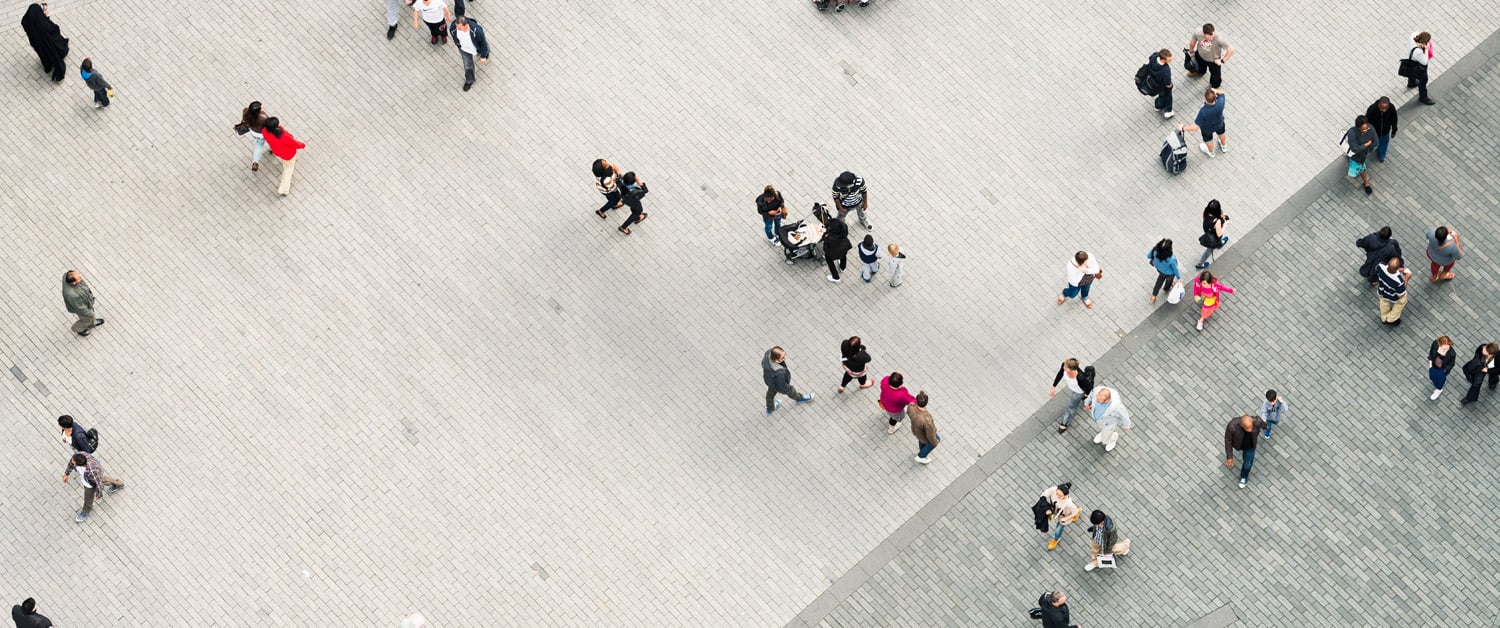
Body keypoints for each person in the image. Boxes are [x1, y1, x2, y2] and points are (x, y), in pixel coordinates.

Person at [63, 451, 124, 523]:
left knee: (88, 497)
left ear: (80, 465)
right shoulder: (80, 455)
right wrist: (66, 474)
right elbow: (71, 464)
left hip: (91, 483)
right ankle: (119, 484)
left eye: (73, 462)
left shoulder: (92, 471)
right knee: (103, 479)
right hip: (94, 477)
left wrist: (99, 494)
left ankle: (85, 511)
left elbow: (98, 483)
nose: (71, 461)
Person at [21, 3, 68, 82]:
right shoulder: (42, 23)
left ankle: (48, 65)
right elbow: (53, 29)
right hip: (48, 43)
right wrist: (46, 17)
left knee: (43, 54)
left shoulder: (26, 21)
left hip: (37, 43)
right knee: (54, 52)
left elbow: (26, 24)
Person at [261, 118, 306, 196]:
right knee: (288, 170)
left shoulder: (264, 131)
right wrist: (302, 145)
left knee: (287, 164)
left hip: (278, 152)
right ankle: (284, 189)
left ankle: (285, 166)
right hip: (288, 154)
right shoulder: (283, 136)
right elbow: (294, 143)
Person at [762, 347, 813, 414]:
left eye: (784, 355)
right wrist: (788, 389)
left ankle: (770, 408)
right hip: (778, 385)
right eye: (782, 358)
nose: (785, 358)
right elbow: (783, 387)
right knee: (791, 391)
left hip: (770, 381)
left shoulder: (768, 354)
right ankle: (799, 398)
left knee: (770, 395)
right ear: (777, 361)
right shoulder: (779, 373)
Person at [1049, 358, 1096, 433]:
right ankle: (1086, 397)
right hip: (1074, 389)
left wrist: (1087, 394)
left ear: (1071, 369)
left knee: (1071, 406)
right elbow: (1060, 373)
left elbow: (1090, 388)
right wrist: (1053, 386)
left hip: (1078, 393)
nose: (1063, 367)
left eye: (1065, 367)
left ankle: (1065, 422)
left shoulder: (1080, 378)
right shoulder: (1064, 366)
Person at [1179, 87, 1228, 158]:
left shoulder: (1203, 111)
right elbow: (1222, 93)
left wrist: (1183, 127)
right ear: (1215, 96)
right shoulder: (1220, 102)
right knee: (1221, 133)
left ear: (1205, 99)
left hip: (1207, 129)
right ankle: (1224, 146)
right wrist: (1215, 90)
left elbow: (1195, 127)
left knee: (1208, 139)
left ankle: (1211, 152)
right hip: (1220, 123)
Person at [1185, 23, 1234, 88]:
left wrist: (1222, 61)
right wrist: (1191, 51)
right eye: (1209, 37)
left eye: (1212, 35)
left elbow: (1231, 49)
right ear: (1203, 33)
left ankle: (1214, 86)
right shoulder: (1198, 33)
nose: (1211, 38)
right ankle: (1200, 72)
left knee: (1215, 76)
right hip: (1200, 55)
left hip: (1213, 60)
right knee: (1199, 66)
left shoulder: (1219, 38)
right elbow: (1192, 42)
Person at [1224, 414, 1266, 489]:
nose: (1250, 430)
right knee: (1247, 462)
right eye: (1247, 428)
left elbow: (1264, 425)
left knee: (1248, 463)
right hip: (1238, 445)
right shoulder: (1232, 426)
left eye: (1251, 428)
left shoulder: (1256, 421)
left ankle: (1244, 476)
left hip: (1250, 447)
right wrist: (1229, 457)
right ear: (1241, 425)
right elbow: (1228, 440)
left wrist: (1266, 426)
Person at [449, 16, 490, 91]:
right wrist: (458, 45)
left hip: (476, 48)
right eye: (457, 26)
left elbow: (483, 43)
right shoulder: (453, 27)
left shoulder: (476, 30)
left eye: (459, 28)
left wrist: (483, 56)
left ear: (466, 25)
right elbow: (453, 35)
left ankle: (486, 53)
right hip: (464, 49)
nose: (457, 29)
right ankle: (469, 80)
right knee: (467, 66)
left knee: (485, 47)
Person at [1087, 386, 1132, 452]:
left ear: (1106, 400)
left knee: (1105, 440)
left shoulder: (1116, 407)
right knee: (1103, 429)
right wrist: (1087, 404)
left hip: (1108, 425)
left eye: (1099, 400)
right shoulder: (1097, 394)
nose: (1096, 400)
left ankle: (1113, 438)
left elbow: (1124, 416)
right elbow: (1092, 395)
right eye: (1097, 397)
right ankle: (1104, 434)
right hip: (1101, 421)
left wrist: (1126, 426)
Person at [1342, 115, 1379, 195]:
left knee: (1361, 166)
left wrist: (1367, 148)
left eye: (1367, 128)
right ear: (1358, 127)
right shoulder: (1352, 132)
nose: (1366, 130)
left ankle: (1366, 182)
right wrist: (1367, 145)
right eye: (1363, 129)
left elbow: (1375, 140)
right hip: (1356, 155)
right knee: (1361, 167)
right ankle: (1366, 182)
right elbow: (1354, 149)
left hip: (1362, 154)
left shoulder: (1371, 128)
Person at [62, 271, 104, 337]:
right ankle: (78, 329)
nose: (81, 278)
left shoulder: (68, 275)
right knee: (87, 318)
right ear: (73, 283)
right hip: (82, 309)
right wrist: (90, 314)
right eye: (79, 278)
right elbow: (80, 308)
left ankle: (92, 323)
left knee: (90, 316)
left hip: (85, 302)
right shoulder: (72, 295)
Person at [232, 101, 271, 172]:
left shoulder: (245, 112)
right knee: (269, 141)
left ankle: (255, 162)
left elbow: (244, 121)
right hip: (262, 134)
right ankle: (272, 149)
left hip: (253, 132)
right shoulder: (263, 118)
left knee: (259, 145)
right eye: (261, 107)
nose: (262, 106)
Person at [1040, 483, 1078, 551]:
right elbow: (1044, 495)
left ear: (1066, 495)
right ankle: (1074, 517)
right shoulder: (1054, 489)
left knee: (1058, 530)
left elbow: (1075, 512)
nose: (1057, 496)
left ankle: (1055, 540)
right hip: (1055, 512)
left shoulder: (1069, 504)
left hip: (1063, 517)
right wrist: (1046, 507)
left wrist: (1066, 519)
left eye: (1060, 495)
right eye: (1057, 493)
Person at [1376, 257, 1411, 326]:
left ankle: (1384, 318)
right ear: (1397, 268)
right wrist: (1406, 278)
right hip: (1393, 296)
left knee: (1383, 303)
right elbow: (1401, 294)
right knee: (1402, 301)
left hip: (1382, 291)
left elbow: (1382, 270)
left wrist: (1398, 270)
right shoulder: (1398, 281)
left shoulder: (1380, 266)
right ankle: (1391, 319)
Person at [1194, 200, 1229, 269]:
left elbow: (1204, 218)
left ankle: (1220, 243)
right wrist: (1226, 223)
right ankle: (1200, 264)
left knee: (1217, 240)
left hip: (1207, 229)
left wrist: (1220, 216)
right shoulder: (1217, 221)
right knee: (1210, 249)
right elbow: (1219, 234)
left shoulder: (1206, 210)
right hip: (1213, 235)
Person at [820, 206, 852, 283]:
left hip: (833, 251)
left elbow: (824, 239)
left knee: (829, 260)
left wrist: (825, 233)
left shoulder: (830, 237)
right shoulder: (844, 227)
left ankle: (835, 277)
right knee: (843, 255)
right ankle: (842, 267)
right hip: (844, 246)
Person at [907, 391, 939, 464]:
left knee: (921, 439)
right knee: (935, 440)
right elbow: (930, 434)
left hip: (916, 430)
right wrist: (935, 442)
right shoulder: (927, 419)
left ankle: (922, 451)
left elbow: (908, 411)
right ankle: (921, 456)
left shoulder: (911, 407)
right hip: (924, 432)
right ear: (926, 403)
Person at [1365, 97, 1399, 162]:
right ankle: (1370, 149)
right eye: (1382, 108)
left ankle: (1382, 154)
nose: (1384, 110)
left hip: (1385, 132)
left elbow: (1394, 119)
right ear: (1379, 104)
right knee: (1372, 143)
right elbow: (1366, 121)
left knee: (1384, 143)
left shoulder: (1391, 108)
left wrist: (1394, 130)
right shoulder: (1372, 109)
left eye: (1386, 108)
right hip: (1374, 133)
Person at [1147, 238, 1180, 303]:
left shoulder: (1155, 250)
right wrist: (1179, 278)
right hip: (1169, 273)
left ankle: (1154, 295)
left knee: (1159, 281)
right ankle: (1166, 288)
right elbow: (1175, 269)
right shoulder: (1171, 259)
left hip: (1159, 269)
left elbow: (1148, 256)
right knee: (1169, 281)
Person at [1406, 32, 1436, 105]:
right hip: (1418, 65)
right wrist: (1425, 49)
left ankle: (1411, 83)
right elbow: (1424, 62)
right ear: (1423, 42)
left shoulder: (1413, 35)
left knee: (1411, 73)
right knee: (1423, 80)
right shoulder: (1418, 52)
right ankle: (1423, 97)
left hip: (1411, 61)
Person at [1148, 49, 1174, 118]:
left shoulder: (1154, 56)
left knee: (1162, 95)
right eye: (1169, 60)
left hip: (1153, 81)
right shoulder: (1166, 70)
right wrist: (1170, 86)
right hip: (1161, 86)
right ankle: (1167, 111)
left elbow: (1150, 58)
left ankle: (1158, 106)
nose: (1171, 59)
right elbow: (1167, 83)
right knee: (1166, 96)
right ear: (1163, 60)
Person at [1429, 336, 1456, 400]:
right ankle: (1437, 387)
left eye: (1447, 348)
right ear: (1439, 344)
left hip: (1442, 369)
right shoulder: (1435, 343)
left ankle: (1439, 390)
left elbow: (1451, 364)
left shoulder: (1452, 353)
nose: (1445, 350)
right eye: (1443, 349)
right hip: (1433, 366)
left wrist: (1444, 371)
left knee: (1440, 382)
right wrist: (1430, 365)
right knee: (1432, 377)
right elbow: (1431, 353)